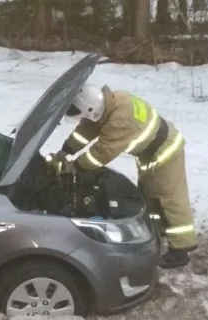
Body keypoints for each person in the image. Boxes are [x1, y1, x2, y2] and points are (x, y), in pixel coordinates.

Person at [46, 84, 197, 268]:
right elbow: (87, 130)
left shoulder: (121, 121)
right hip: (150, 153)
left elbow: (101, 153)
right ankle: (158, 232)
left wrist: (74, 167)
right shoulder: (111, 103)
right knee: (149, 196)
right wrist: (66, 150)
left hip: (165, 152)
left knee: (169, 199)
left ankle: (181, 249)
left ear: (92, 109)